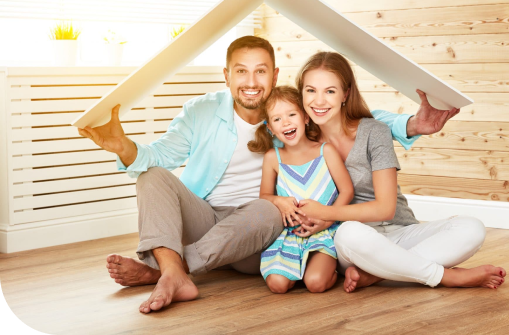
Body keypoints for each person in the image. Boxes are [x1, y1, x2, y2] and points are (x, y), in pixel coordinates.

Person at [77, 36, 456, 313]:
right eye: (241, 71)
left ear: (274, 75)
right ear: (226, 75)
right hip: (207, 219)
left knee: (267, 207)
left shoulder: (294, 115)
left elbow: (355, 118)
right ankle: (174, 270)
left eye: (260, 71)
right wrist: (123, 145)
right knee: (152, 176)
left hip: (262, 228)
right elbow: (156, 155)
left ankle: (162, 269)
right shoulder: (200, 112)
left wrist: (411, 124)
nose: (251, 81)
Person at [292, 51, 507, 293]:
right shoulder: (299, 140)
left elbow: (385, 208)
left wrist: (325, 213)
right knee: (348, 233)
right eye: (311, 90)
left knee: (471, 227)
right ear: (301, 93)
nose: (318, 101)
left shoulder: (375, 131)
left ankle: (375, 275)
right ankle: (446, 277)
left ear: (346, 93)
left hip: (401, 231)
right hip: (355, 244)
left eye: (329, 91)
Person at [248, 86, 353, 294]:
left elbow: (347, 191)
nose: (285, 122)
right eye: (277, 119)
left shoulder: (326, 151)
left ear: (305, 117)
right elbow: (265, 196)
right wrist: (280, 201)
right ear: (270, 128)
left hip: (324, 231)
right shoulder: (273, 157)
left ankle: (328, 270)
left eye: (291, 114)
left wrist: (327, 220)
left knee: (315, 283)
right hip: (289, 234)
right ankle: (296, 269)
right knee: (277, 285)